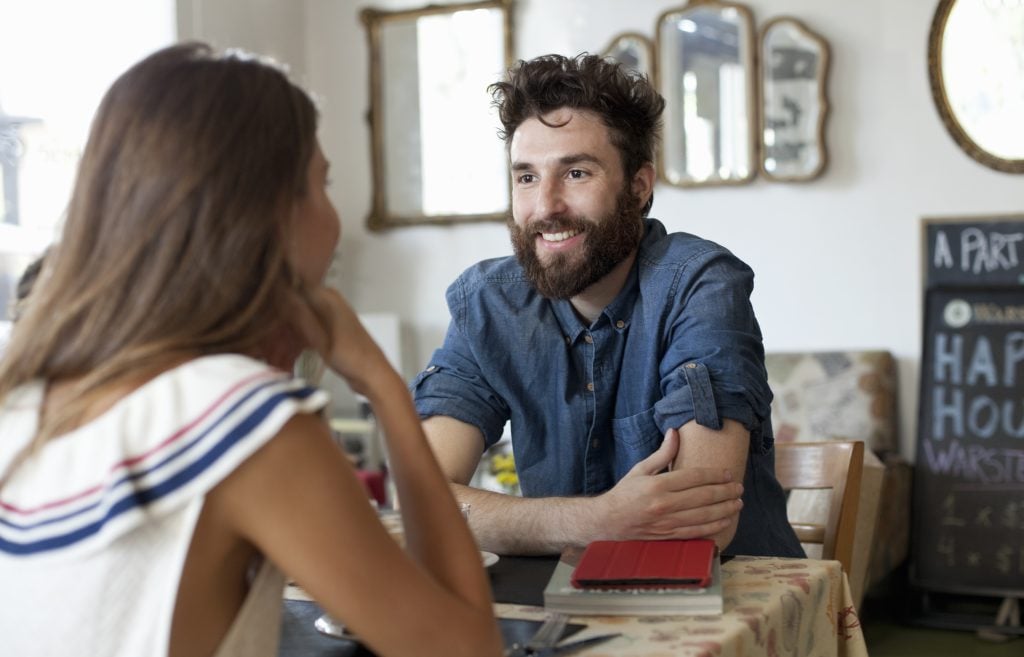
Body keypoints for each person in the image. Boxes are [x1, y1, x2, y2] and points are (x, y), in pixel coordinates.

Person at [0, 43, 502, 657]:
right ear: (267, 214)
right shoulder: (244, 418)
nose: (333, 217)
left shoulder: (24, 398)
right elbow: (468, 648)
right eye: (322, 183)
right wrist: (384, 388)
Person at [413, 53, 804, 559]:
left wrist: (523, 523)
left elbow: (699, 530)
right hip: (559, 597)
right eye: (526, 177)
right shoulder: (488, 303)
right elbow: (421, 503)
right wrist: (597, 520)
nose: (546, 206)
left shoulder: (698, 285)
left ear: (638, 187)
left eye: (576, 173)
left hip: (730, 595)